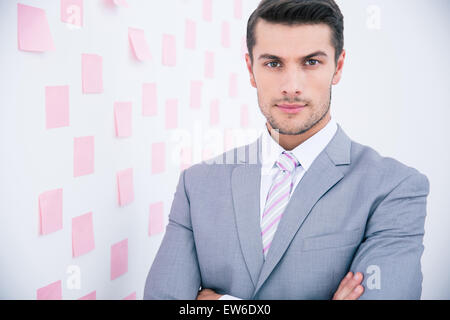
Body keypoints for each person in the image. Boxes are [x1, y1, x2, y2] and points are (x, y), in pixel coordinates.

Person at [143, 0, 430, 300]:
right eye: (273, 63)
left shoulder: (394, 188)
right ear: (250, 70)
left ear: (338, 66)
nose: (291, 86)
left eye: (311, 62)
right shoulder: (197, 185)